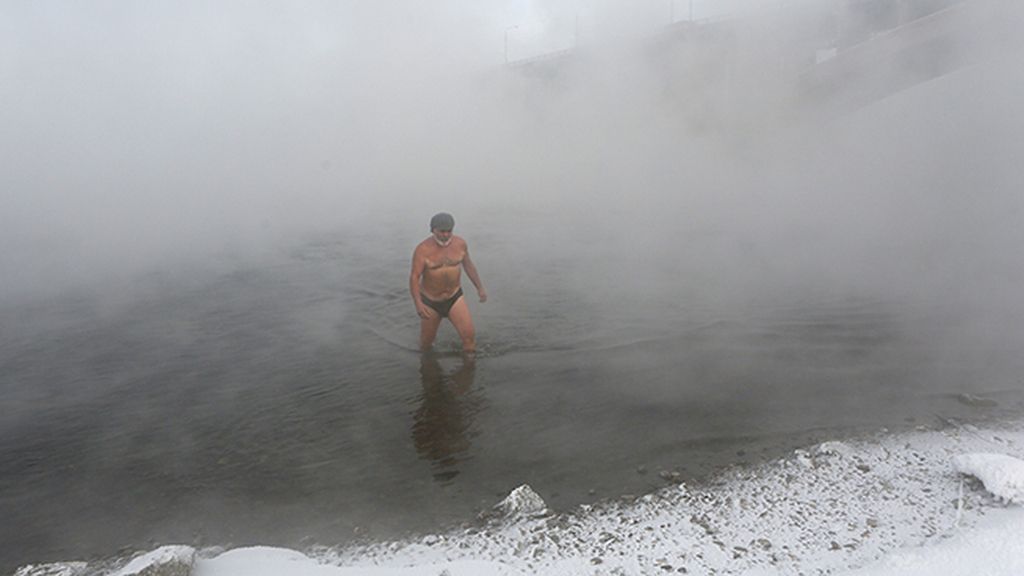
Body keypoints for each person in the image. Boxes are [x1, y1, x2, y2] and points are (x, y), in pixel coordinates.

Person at [410, 212, 487, 353]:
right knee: (426, 345)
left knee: (469, 339)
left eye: (449, 231)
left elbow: (468, 265)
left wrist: (480, 288)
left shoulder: (460, 244)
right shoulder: (422, 250)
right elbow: (414, 277)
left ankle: (468, 371)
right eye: (442, 231)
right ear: (433, 230)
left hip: (454, 297)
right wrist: (418, 304)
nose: (446, 235)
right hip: (431, 302)